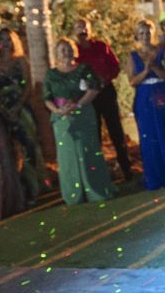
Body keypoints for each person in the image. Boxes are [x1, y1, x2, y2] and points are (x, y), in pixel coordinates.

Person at [43, 38, 115, 205]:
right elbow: (46, 98)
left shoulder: (83, 69)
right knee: (67, 156)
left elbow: (94, 88)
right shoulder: (51, 74)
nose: (66, 51)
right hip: (61, 118)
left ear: (73, 50)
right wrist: (58, 111)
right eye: (62, 49)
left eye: (68, 48)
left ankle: (96, 190)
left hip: (83, 115)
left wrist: (78, 105)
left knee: (87, 152)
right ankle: (73, 194)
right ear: (57, 53)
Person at [125, 20, 165, 190]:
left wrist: (154, 66)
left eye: (148, 32)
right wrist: (146, 70)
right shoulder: (133, 55)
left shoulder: (162, 51)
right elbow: (132, 81)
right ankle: (156, 178)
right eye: (142, 33)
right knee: (149, 137)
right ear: (137, 36)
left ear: (152, 34)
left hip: (163, 96)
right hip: (144, 98)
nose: (145, 36)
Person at [73, 19, 132, 181]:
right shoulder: (75, 52)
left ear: (90, 29)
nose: (82, 30)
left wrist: (105, 78)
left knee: (116, 131)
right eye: (79, 27)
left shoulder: (101, 46)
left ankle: (126, 168)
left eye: (85, 27)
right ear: (74, 31)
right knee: (94, 134)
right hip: (89, 97)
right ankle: (100, 174)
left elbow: (115, 66)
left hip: (106, 91)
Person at [0, 28, 45, 202]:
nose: (5, 43)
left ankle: (34, 188)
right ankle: (19, 191)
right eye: (2, 39)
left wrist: (18, 107)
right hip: (3, 113)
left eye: (8, 39)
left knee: (28, 147)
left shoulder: (20, 61)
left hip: (22, 110)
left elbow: (28, 88)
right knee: (11, 151)